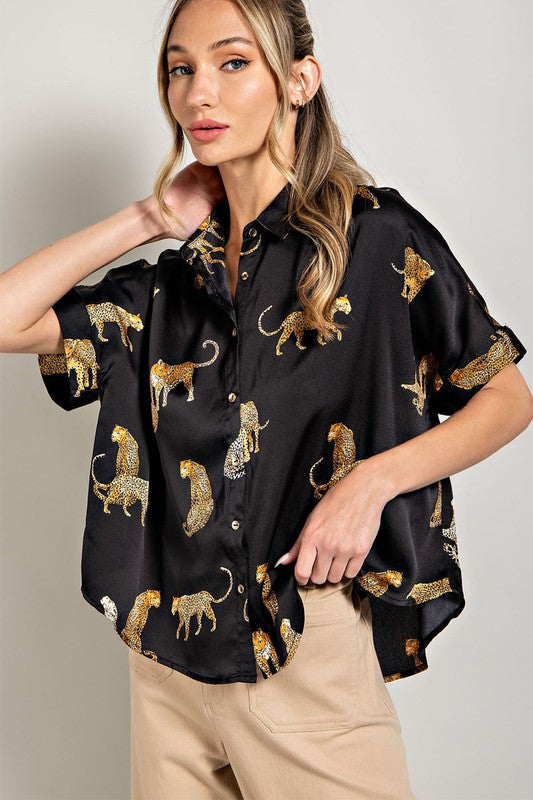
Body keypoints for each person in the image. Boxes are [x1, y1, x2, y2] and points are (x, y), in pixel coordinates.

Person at [1, 0, 531, 798]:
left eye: (232, 62)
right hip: (167, 666)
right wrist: (149, 217)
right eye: (180, 69)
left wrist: (370, 482)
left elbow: (505, 397)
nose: (199, 93)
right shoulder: (170, 285)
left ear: (298, 81)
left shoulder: (375, 237)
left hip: (300, 638)